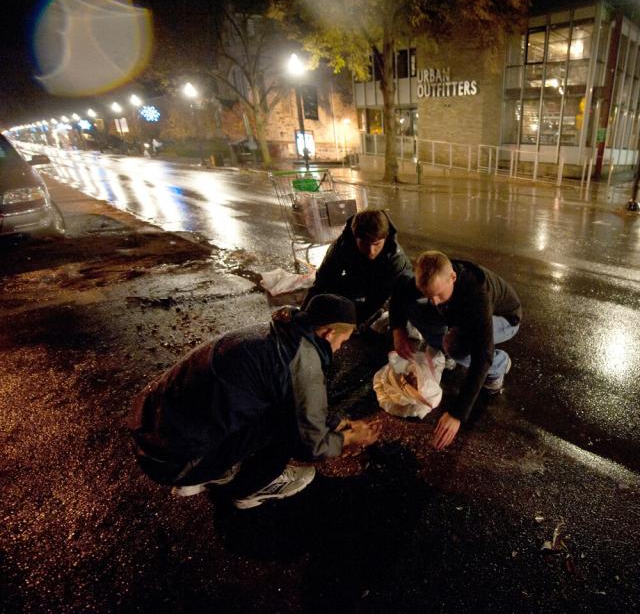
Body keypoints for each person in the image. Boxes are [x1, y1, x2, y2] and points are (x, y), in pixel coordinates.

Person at [129, 294, 381, 510]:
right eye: (342, 342)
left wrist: (337, 422)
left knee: (270, 402)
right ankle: (252, 487)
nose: (338, 349)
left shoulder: (277, 332)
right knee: (285, 424)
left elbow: (295, 398)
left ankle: (210, 470)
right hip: (173, 461)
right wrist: (347, 439)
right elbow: (312, 444)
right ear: (328, 333)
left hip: (151, 430)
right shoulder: (302, 363)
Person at [390, 251, 521, 450]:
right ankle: (445, 346)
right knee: (414, 309)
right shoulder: (429, 279)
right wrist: (398, 331)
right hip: (458, 315)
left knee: (456, 347)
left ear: (453, 277)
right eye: (427, 294)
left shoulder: (477, 294)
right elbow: (400, 294)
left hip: (503, 319)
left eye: (438, 294)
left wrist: (457, 414)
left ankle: (499, 364)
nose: (433, 300)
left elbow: (481, 355)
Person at [302, 209, 412, 329]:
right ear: (355, 237)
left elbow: (378, 298)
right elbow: (323, 280)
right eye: (364, 244)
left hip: (386, 288)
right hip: (359, 278)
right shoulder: (342, 246)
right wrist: (302, 314)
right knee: (328, 297)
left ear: (385, 238)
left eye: (377, 244)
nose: (371, 251)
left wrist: (352, 324)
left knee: (401, 303)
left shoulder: (396, 259)